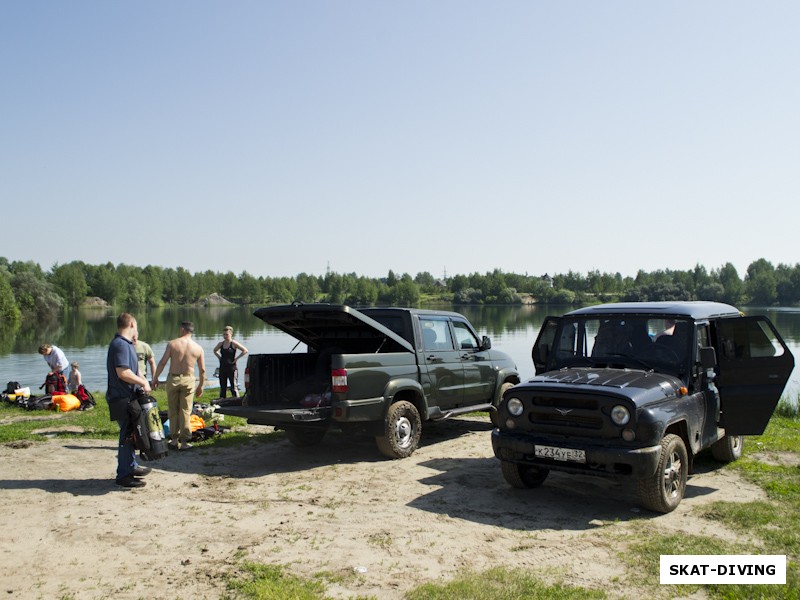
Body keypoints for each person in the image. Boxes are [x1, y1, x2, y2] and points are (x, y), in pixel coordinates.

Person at [106, 312, 152, 488]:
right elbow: (123, 373)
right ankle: (124, 475)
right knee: (126, 435)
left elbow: (134, 369)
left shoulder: (128, 345)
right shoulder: (120, 345)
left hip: (129, 396)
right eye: (137, 325)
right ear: (132, 324)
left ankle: (131, 466)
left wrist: (142, 379)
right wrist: (142, 382)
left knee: (133, 433)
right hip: (121, 398)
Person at [153, 321, 206, 451]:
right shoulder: (198, 348)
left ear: (182, 329)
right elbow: (202, 370)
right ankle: (184, 442)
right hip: (188, 379)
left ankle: (174, 439)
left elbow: (163, 362)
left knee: (173, 410)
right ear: (191, 331)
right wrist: (201, 386)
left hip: (174, 378)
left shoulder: (173, 344)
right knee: (185, 411)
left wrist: (155, 377)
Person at [213, 326, 248, 399]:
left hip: (232, 367)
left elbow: (245, 350)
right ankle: (222, 400)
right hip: (223, 367)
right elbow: (215, 350)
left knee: (233, 385)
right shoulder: (221, 343)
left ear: (231, 334)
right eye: (224, 334)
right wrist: (219, 357)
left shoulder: (233, 343)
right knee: (223, 385)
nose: (225, 336)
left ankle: (236, 400)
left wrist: (237, 358)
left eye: (227, 334)